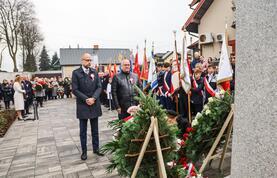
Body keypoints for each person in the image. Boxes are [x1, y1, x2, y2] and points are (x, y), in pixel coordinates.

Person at [72, 53, 104, 160]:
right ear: (82, 61)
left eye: (90, 60)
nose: (89, 62)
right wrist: (86, 99)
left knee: (95, 129)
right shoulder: (76, 73)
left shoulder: (94, 72)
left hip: (94, 103)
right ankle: (84, 151)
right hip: (83, 105)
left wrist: (93, 98)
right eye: (87, 60)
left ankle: (96, 149)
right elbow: (75, 89)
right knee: (83, 131)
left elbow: (99, 87)